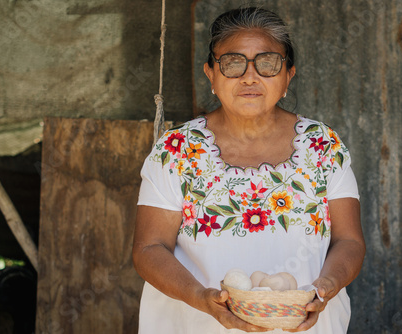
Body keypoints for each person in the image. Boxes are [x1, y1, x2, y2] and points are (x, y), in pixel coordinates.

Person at [133, 7, 366, 334]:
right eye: (232, 63)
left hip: (302, 325)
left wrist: (325, 287)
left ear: (289, 75)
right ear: (211, 74)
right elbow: (148, 248)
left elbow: (349, 240)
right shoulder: (176, 150)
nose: (250, 77)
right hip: (194, 324)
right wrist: (202, 298)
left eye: (268, 63)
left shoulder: (323, 146)